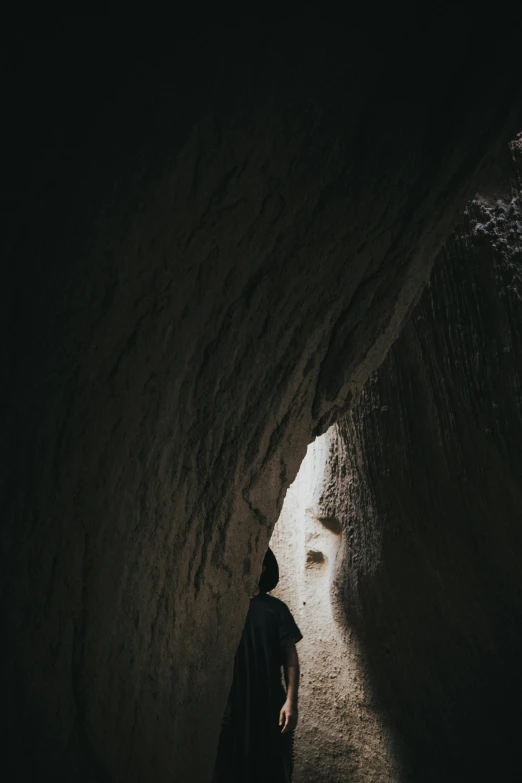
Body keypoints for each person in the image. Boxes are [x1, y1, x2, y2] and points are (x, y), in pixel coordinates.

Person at [213, 548, 302, 783]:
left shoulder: (276, 609)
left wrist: (291, 702)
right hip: (233, 703)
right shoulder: (227, 607)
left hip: (270, 701)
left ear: (264, 568)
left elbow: (290, 659)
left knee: (272, 768)